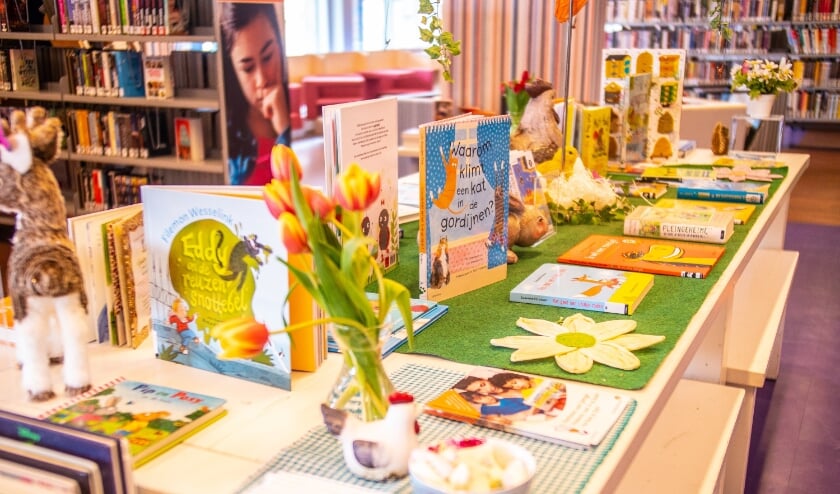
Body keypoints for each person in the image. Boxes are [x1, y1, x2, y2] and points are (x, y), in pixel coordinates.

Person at [220, 2, 291, 185]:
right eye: (248, 68)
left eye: (268, 57)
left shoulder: (296, 115)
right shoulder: (231, 142)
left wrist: (285, 129)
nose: (262, 80)